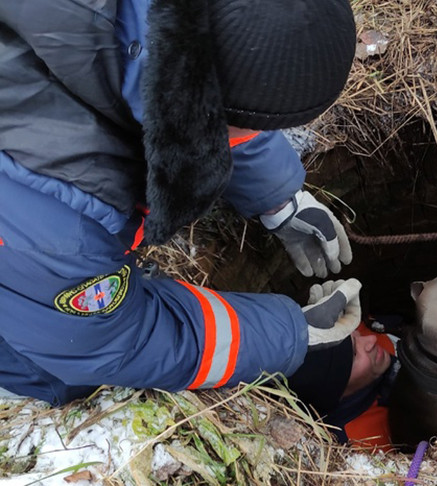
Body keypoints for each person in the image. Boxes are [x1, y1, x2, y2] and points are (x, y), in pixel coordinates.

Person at [0, 0, 360, 406]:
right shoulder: (63, 227)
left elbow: (197, 93)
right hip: (25, 332)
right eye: (255, 125)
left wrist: (280, 200)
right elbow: (112, 343)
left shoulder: (164, 22)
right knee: (50, 377)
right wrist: (290, 333)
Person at [288, 320, 399, 451]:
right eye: (355, 354)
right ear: (338, 393)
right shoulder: (365, 443)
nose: (372, 339)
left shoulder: (354, 326)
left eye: (354, 335)